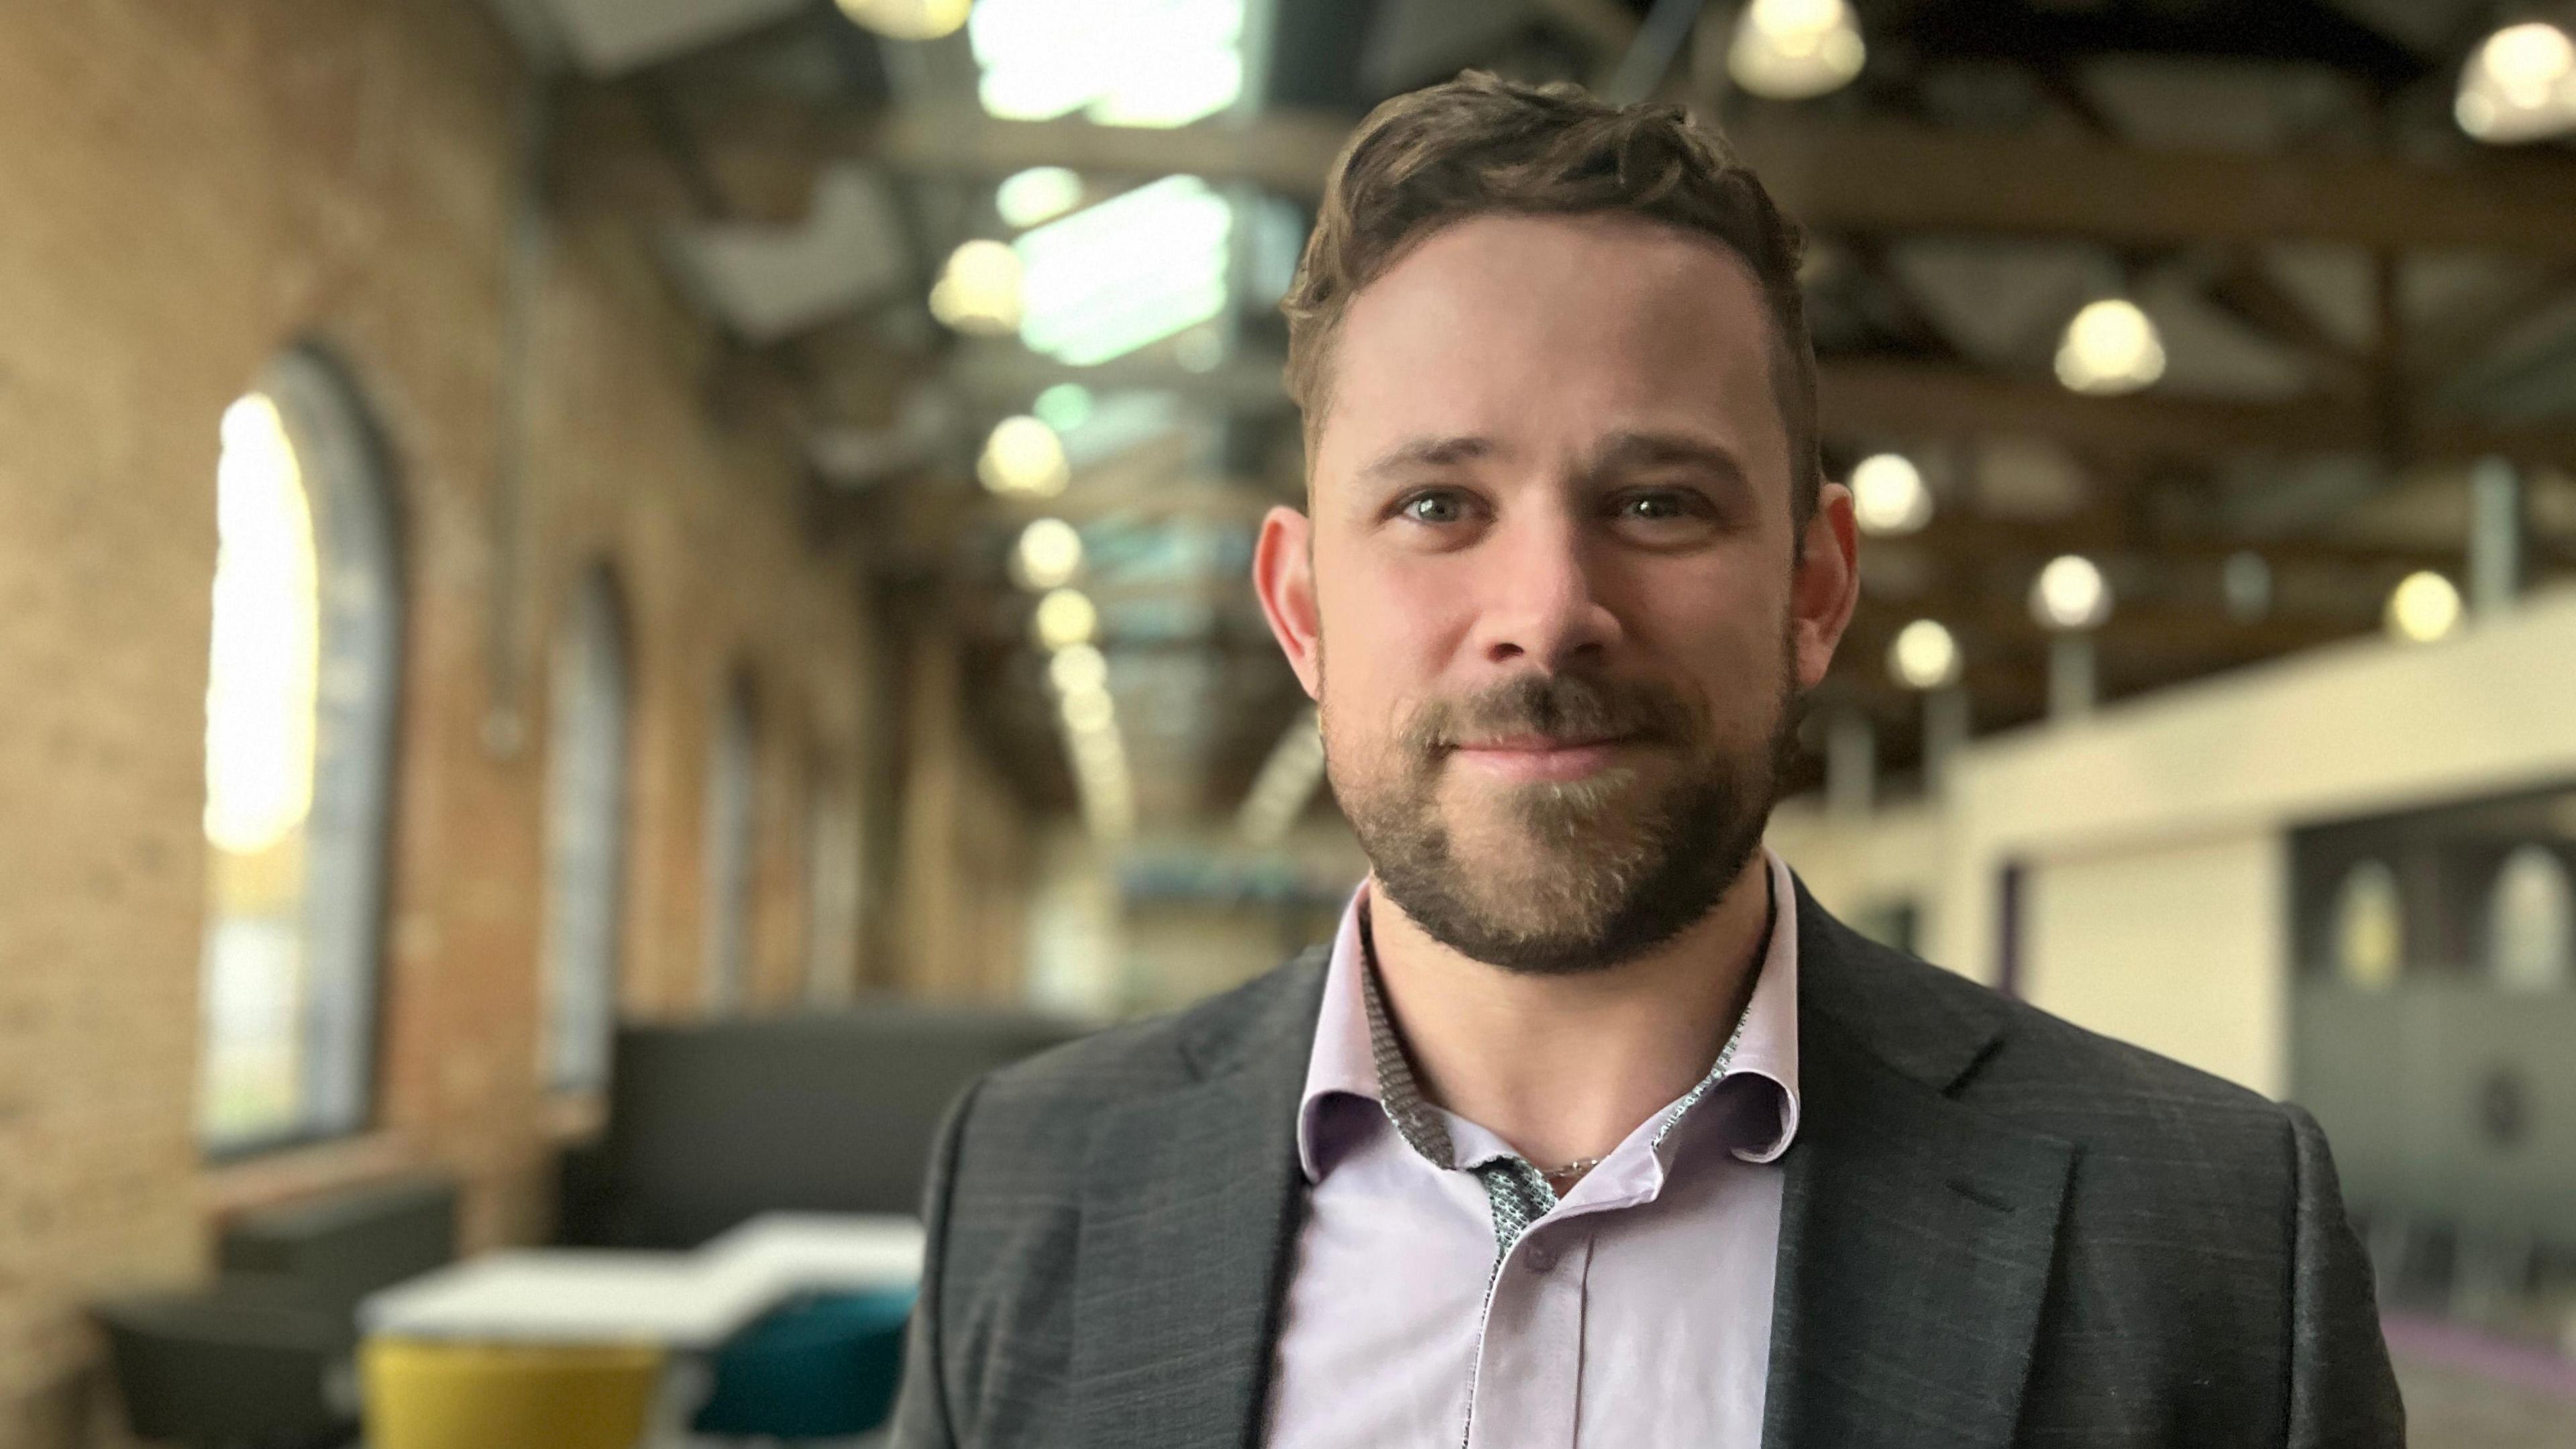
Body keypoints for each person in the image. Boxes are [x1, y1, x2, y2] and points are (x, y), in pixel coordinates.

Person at [889, 72, 2403, 1449]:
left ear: (1815, 586)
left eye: (1662, 503)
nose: (1548, 616)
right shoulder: (1036, 1181)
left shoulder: (2205, 1235)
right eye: (1434, 507)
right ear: (1301, 610)